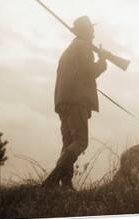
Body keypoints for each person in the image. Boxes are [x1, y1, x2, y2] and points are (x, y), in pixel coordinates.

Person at [42, 15, 108, 189]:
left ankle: (66, 185)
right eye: (92, 31)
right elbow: (90, 71)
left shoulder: (69, 49)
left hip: (63, 101)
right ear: (86, 32)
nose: (94, 35)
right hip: (77, 101)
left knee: (68, 144)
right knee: (80, 142)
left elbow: (78, 74)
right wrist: (102, 61)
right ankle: (51, 181)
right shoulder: (84, 46)